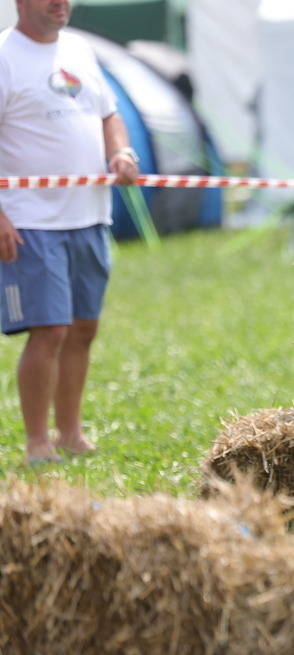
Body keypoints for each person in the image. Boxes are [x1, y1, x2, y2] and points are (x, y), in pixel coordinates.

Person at [0, 0, 139, 464]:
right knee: (51, 331)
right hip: (32, 221)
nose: (61, 2)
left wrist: (121, 153)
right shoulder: (4, 56)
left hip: (90, 215)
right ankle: (37, 443)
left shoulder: (79, 48)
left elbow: (109, 114)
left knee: (83, 329)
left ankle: (70, 433)